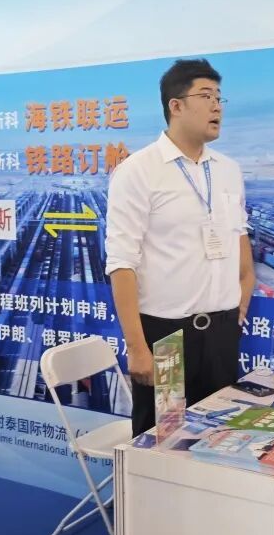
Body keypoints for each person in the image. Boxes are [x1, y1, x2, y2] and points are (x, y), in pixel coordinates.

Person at [105, 59, 255, 437]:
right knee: (165, 442)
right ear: (176, 105)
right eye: (206, 96)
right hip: (167, 339)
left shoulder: (228, 170)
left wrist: (242, 295)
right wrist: (137, 348)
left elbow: (238, 235)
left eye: (219, 97)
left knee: (220, 438)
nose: (217, 106)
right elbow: (121, 263)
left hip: (222, 334)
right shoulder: (138, 171)